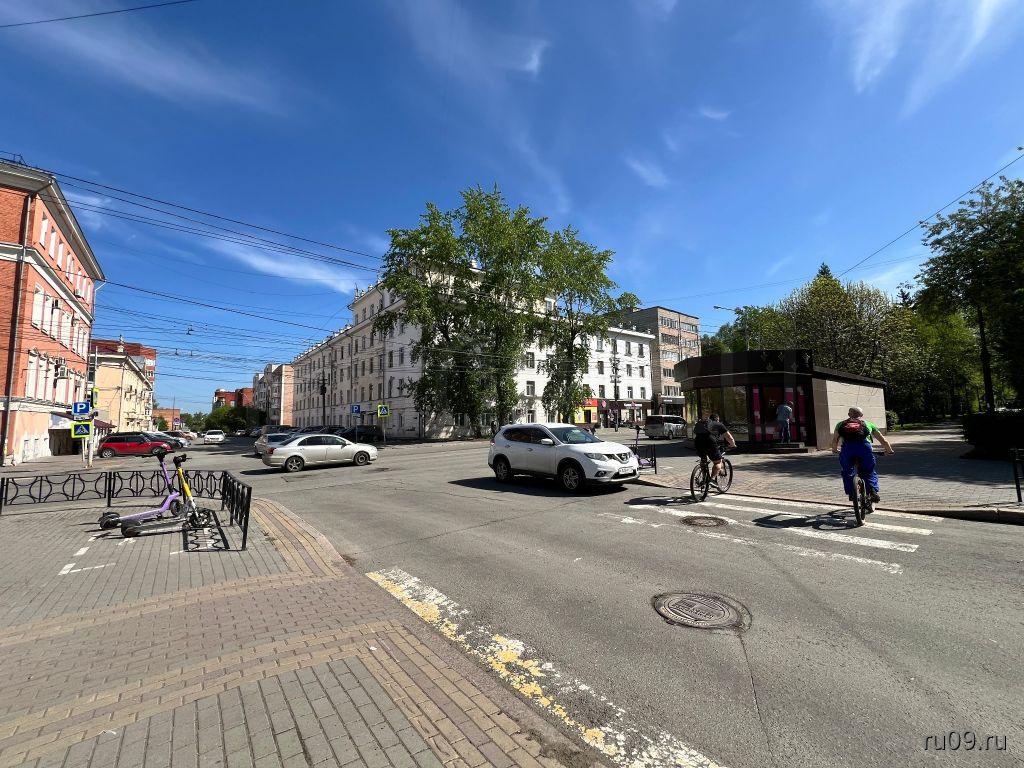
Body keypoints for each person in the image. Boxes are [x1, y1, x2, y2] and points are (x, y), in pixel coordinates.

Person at [830, 406, 894, 503]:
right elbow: (883, 440)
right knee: (869, 471)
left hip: (847, 449)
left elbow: (835, 440)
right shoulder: (868, 424)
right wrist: (889, 450)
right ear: (861, 415)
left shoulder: (840, 424)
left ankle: (852, 493)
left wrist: (835, 450)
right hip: (864, 449)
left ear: (849, 414)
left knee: (847, 471)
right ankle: (873, 491)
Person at [693, 411, 736, 480]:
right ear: (717, 419)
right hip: (710, 443)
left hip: (698, 442)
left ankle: (704, 478)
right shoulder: (719, 424)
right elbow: (729, 437)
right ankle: (711, 479)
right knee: (717, 462)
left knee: (703, 459)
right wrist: (733, 444)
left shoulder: (703, 424)